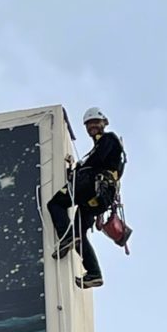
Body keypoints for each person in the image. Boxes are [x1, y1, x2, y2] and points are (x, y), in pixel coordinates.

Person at [47, 107, 126, 289]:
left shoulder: (109, 139)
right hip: (98, 198)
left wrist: (79, 169)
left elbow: (97, 160)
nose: (92, 127)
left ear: (104, 123)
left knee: (55, 203)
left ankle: (66, 236)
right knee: (79, 234)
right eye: (89, 125)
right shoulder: (102, 146)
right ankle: (94, 273)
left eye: (95, 123)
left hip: (92, 187)